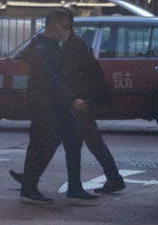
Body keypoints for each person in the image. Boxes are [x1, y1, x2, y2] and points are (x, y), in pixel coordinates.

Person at [12, 21, 125, 196]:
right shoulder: (68, 44)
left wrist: (73, 100)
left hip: (78, 100)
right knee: (78, 141)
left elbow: (66, 76)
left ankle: (33, 179)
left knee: (72, 141)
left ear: (62, 28)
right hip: (76, 100)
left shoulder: (71, 47)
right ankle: (102, 180)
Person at [10, 8, 97, 204]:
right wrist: (71, 99)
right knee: (42, 144)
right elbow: (50, 78)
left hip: (57, 103)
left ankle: (73, 186)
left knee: (73, 139)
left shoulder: (53, 45)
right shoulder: (42, 48)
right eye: (65, 26)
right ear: (53, 24)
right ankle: (29, 188)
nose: (67, 31)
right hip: (45, 103)